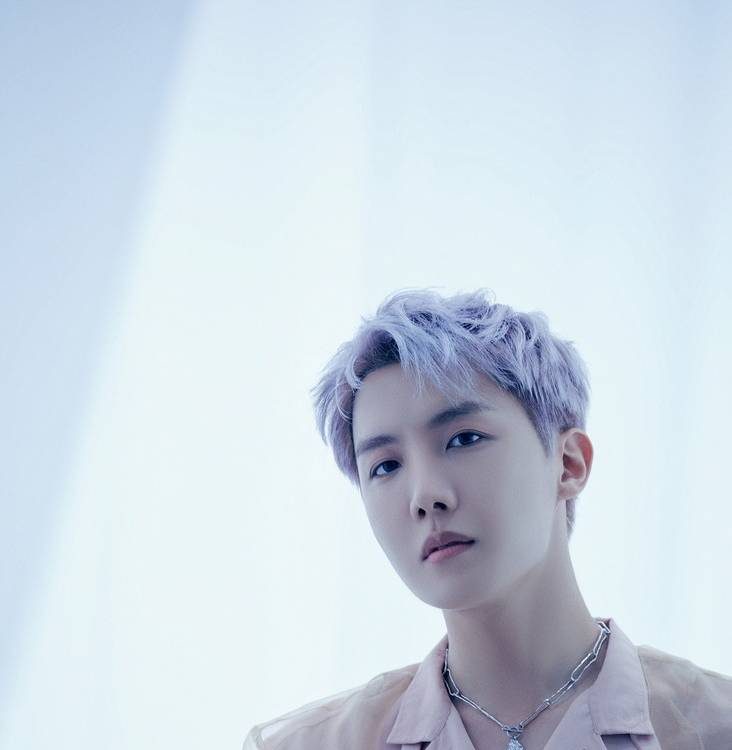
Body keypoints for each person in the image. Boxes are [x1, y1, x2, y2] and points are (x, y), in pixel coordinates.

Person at [243, 287, 732, 750]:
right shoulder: (310, 744)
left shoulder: (714, 726)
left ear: (568, 464)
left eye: (464, 439)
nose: (425, 496)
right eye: (386, 466)